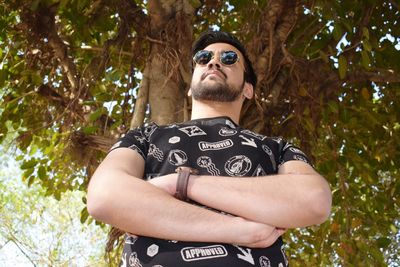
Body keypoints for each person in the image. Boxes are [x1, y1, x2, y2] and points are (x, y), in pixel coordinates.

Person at [87, 31, 332, 267]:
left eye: (229, 58)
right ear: (190, 87)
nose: (214, 62)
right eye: (204, 58)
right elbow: (104, 195)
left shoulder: (277, 148)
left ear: (248, 88)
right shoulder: (145, 136)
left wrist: (181, 184)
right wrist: (239, 231)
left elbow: (314, 199)